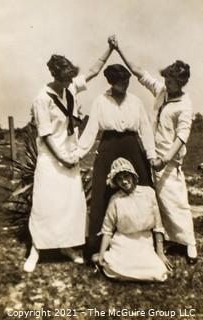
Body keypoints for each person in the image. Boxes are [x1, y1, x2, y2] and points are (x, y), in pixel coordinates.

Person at [24, 45, 114, 272]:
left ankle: (68, 247)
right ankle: (37, 248)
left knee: (71, 204)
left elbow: (92, 72)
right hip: (50, 157)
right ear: (55, 75)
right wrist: (61, 159)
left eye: (70, 78)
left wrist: (109, 49)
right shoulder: (42, 99)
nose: (68, 83)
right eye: (65, 79)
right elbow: (45, 136)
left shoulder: (70, 87)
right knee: (46, 203)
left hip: (70, 155)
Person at [109, 36, 197, 263]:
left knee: (176, 200)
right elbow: (139, 73)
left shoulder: (185, 105)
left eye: (171, 82)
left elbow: (182, 137)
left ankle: (190, 244)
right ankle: (170, 239)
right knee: (159, 200)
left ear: (181, 83)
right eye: (166, 80)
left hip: (169, 160)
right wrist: (119, 49)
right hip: (152, 154)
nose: (166, 84)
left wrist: (166, 159)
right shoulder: (161, 92)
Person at [73, 63, 156, 257]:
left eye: (126, 81)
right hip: (109, 146)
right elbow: (91, 129)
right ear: (111, 83)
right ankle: (99, 244)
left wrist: (150, 154)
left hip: (132, 146)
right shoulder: (101, 101)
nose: (124, 86)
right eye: (120, 83)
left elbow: (144, 128)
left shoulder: (135, 101)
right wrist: (78, 154)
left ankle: (143, 237)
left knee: (141, 186)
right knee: (104, 191)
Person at [93, 157, 172, 281]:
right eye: (119, 179)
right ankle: (106, 258)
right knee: (112, 266)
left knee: (159, 273)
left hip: (144, 242)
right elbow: (107, 230)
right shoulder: (115, 199)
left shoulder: (148, 193)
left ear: (133, 175)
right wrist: (102, 253)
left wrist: (160, 253)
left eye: (126, 176)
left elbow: (158, 226)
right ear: (115, 182)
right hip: (123, 242)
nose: (124, 181)